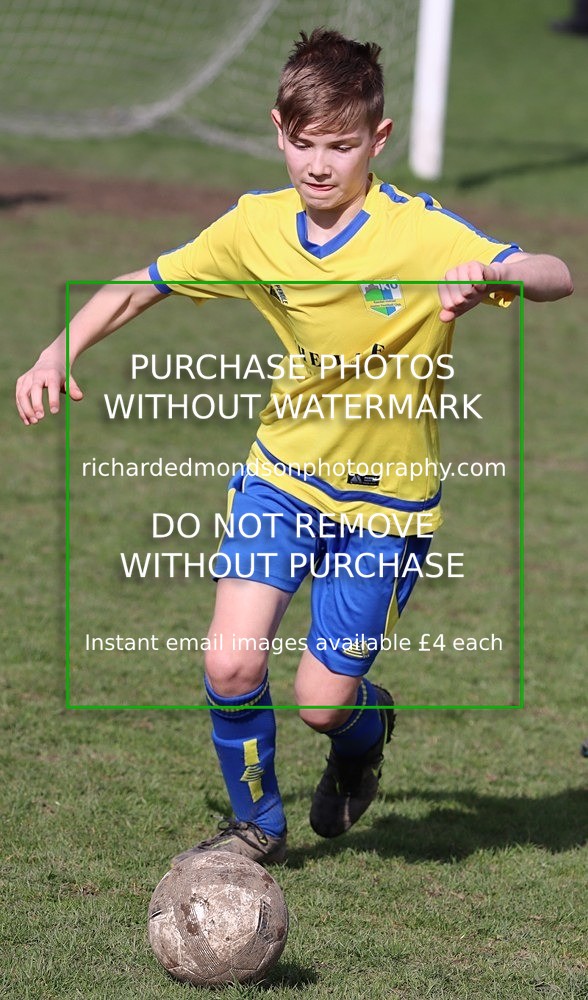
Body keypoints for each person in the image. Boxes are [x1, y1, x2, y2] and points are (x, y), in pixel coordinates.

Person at [16, 29, 572, 866]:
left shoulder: (418, 234)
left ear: (376, 141)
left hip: (385, 506)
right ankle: (256, 828)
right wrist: (60, 348)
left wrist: (500, 274)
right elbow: (146, 283)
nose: (319, 165)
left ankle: (364, 731)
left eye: (341, 147)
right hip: (281, 479)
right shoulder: (256, 226)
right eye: (304, 144)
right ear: (279, 129)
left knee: (320, 701)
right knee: (232, 664)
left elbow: (555, 271)